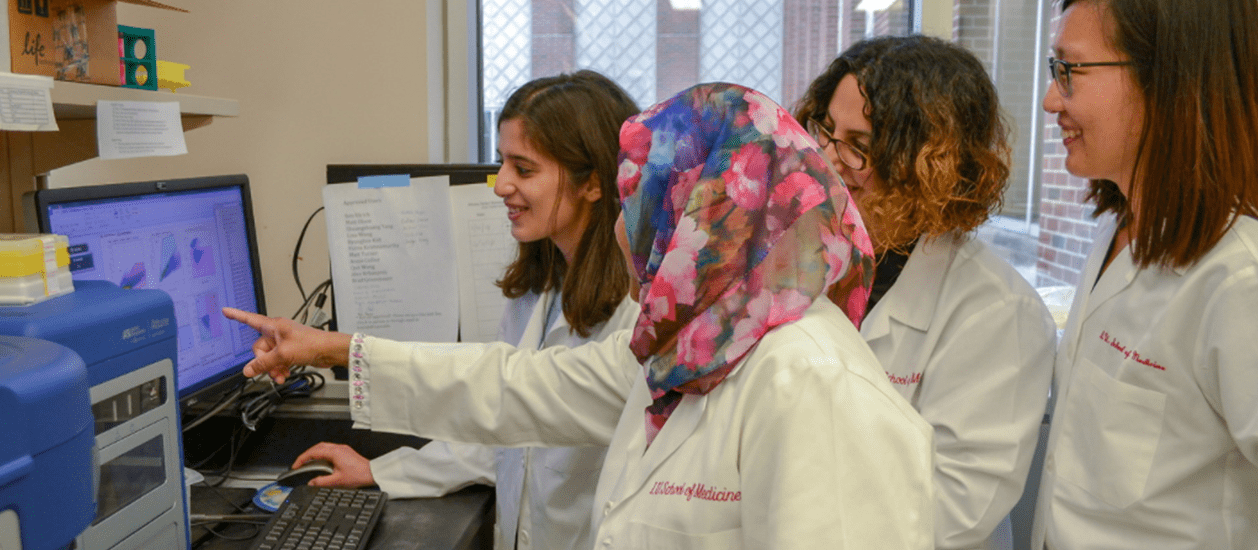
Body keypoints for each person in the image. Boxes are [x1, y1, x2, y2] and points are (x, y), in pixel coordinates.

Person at [226, 82, 936, 549]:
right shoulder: (690, 357)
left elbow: (522, 389)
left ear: (705, 212)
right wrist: (336, 353)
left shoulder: (817, 381)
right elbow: (518, 391)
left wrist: (335, 351)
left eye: (639, 203)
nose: (626, 229)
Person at [287, 70, 642, 550]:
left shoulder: (636, 316)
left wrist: (340, 351)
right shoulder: (537, 291)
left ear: (594, 183)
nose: (501, 185)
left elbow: (508, 397)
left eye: (525, 169)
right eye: (503, 164)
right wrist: (383, 470)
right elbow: (499, 423)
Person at [1030, 0, 1258, 550]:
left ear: (1167, 79)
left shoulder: (1242, 283)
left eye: (1069, 71)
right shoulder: (1120, 227)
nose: (1052, 100)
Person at [795, 34, 1056, 550]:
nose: (828, 158)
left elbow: (955, 508)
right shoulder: (816, 261)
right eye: (826, 130)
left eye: (860, 145)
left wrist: (794, 508)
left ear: (928, 166)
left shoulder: (998, 312)